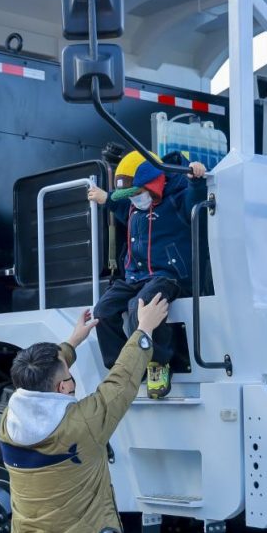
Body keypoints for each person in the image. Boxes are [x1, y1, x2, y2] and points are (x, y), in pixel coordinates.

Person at [1, 294, 170, 533]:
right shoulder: (83, 424)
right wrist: (144, 329)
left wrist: (72, 343)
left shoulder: (9, 421)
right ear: (63, 388)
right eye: (68, 376)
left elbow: (39, 378)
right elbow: (121, 382)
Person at [87, 150, 207, 399]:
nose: (133, 200)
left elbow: (196, 202)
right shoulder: (134, 207)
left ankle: (158, 363)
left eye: (137, 193)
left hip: (168, 275)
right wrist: (104, 197)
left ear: (153, 184)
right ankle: (121, 367)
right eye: (129, 196)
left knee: (139, 306)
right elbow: (118, 203)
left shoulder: (176, 199)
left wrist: (196, 180)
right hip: (135, 276)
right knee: (102, 311)